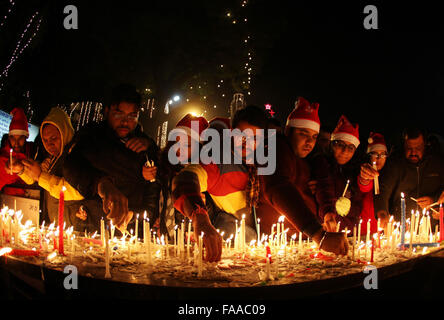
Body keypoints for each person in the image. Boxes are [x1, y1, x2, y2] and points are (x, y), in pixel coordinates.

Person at [171, 106, 265, 262]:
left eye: (254, 138)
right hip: (237, 253)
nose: (246, 142)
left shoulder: (266, 163)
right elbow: (185, 179)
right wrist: (199, 217)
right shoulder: (219, 162)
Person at [63, 84, 161, 233]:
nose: (125, 121)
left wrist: (133, 217)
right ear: (107, 111)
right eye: (119, 113)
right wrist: (102, 184)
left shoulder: (145, 148)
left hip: (130, 233)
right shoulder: (91, 137)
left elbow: (152, 197)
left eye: (132, 116)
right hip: (90, 227)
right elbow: (71, 166)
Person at [258, 97, 349, 256]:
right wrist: (318, 234)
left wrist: (327, 212)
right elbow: (277, 186)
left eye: (314, 137)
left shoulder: (308, 160)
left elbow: (323, 184)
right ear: (288, 131)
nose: (309, 142)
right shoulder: (276, 148)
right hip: (280, 245)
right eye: (303, 133)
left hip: (302, 241)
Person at [9, 107, 104, 230]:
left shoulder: (78, 155)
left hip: (76, 229)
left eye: (54, 138)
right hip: (59, 227)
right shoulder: (53, 158)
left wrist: (41, 176)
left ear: (64, 132)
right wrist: (21, 170)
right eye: (46, 140)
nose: (49, 144)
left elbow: (77, 190)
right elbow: (36, 180)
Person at [374, 127, 444, 228]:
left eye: (418, 148)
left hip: (431, 228)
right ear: (404, 146)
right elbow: (383, 189)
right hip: (401, 228)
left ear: (425, 145)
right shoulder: (395, 164)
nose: (413, 153)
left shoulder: (437, 163)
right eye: (409, 148)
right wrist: (382, 212)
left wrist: (434, 200)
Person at [311, 115, 363, 233]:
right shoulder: (322, 163)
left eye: (351, 148)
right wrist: (329, 212)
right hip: (326, 231)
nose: (345, 151)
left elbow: (358, 207)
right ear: (332, 144)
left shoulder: (353, 172)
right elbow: (325, 188)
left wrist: (345, 208)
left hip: (348, 233)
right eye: (340, 145)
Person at [357, 132, 389, 234]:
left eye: (383, 154)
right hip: (362, 233)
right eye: (375, 154)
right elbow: (364, 186)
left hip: (382, 233)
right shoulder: (364, 172)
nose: (379, 158)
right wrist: (365, 178)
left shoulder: (389, 178)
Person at [1, 108, 37, 196]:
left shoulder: (35, 152)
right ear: (9, 138)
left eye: (20, 138)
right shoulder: (2, 157)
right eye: (13, 138)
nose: (16, 143)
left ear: (26, 137)